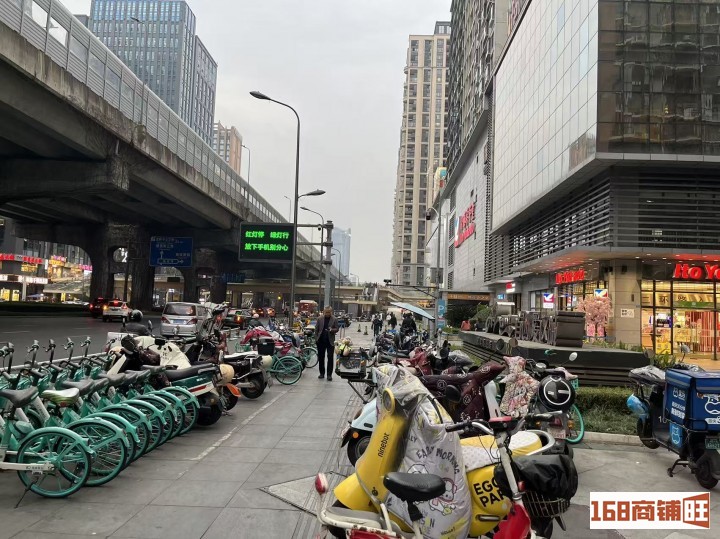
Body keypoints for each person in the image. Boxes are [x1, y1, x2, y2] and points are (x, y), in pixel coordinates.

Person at [315, 306, 339, 381]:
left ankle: (329, 375)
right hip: (321, 341)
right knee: (321, 358)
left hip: (330, 341)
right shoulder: (319, 318)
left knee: (330, 357)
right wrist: (316, 339)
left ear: (331, 312)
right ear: (324, 312)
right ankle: (322, 373)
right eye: (326, 312)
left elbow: (337, 328)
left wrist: (332, 330)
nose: (327, 314)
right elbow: (316, 329)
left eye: (329, 312)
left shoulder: (334, 319)